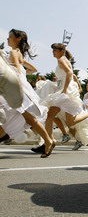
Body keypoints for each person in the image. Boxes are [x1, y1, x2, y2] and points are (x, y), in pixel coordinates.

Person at [0, 29, 54, 157]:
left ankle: (48, 140)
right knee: (30, 119)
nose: (7, 39)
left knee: (30, 118)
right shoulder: (18, 53)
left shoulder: (13, 52)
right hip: (21, 86)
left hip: (16, 87)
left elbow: (16, 71)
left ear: (18, 38)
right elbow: (31, 69)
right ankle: (48, 140)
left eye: (10, 36)